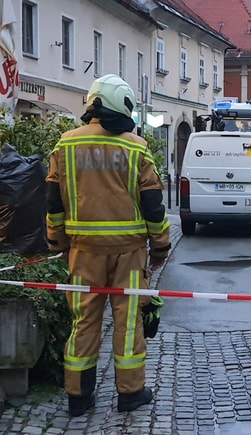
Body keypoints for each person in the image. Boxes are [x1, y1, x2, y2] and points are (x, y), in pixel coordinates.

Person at [45, 74, 171, 417]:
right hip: (129, 253)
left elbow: (53, 202)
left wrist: (57, 243)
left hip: (83, 251)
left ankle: (78, 397)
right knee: (128, 322)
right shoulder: (136, 147)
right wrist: (160, 248)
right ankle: (130, 393)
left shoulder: (65, 145)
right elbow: (153, 207)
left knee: (83, 321)